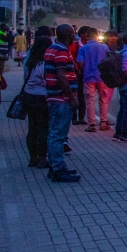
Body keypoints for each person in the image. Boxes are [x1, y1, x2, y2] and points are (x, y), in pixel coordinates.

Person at [43, 25, 81, 182]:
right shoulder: (62, 51)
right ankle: (58, 168)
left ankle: (55, 166)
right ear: (70, 35)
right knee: (58, 135)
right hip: (61, 99)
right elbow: (61, 76)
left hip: (54, 97)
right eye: (73, 34)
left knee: (54, 133)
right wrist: (72, 98)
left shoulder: (51, 48)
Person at [22, 27, 53, 168]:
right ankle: (42, 158)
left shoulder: (30, 61)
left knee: (32, 128)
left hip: (29, 96)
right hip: (42, 98)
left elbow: (25, 78)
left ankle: (32, 158)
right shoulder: (45, 63)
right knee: (43, 129)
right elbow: (48, 81)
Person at [76, 29, 113, 131]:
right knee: (103, 100)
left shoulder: (83, 49)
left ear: (87, 36)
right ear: (97, 35)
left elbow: (80, 63)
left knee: (89, 101)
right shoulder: (105, 47)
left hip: (88, 77)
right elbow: (110, 61)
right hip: (102, 78)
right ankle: (103, 122)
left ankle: (92, 124)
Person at [70, 27, 89, 125]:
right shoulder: (75, 45)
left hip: (86, 74)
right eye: (86, 33)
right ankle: (74, 118)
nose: (88, 36)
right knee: (75, 96)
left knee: (83, 96)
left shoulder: (91, 45)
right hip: (76, 74)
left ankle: (81, 117)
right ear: (81, 34)